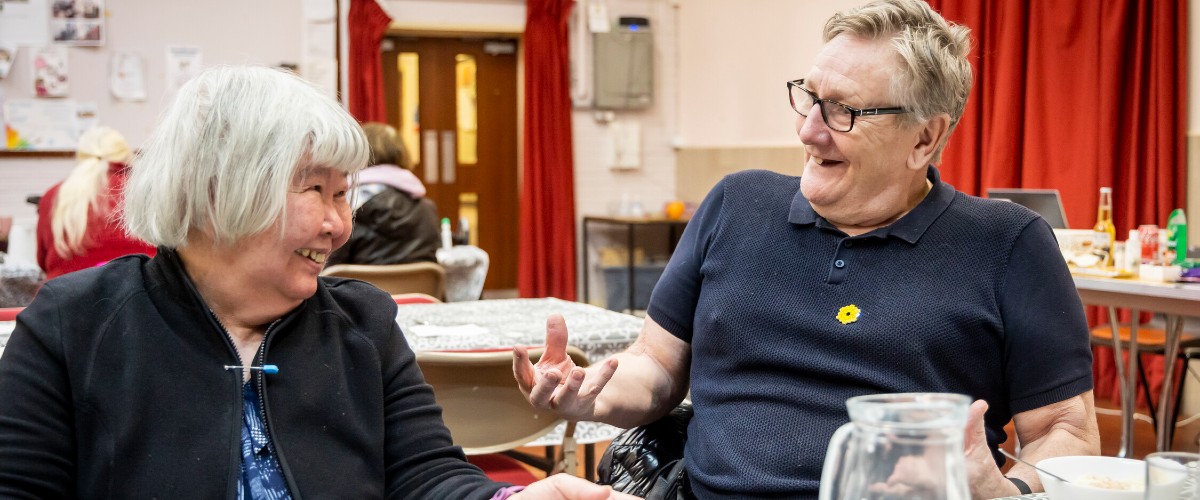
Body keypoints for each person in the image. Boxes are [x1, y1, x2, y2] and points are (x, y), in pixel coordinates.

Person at [514, 1, 1099, 498]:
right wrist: (592, 392)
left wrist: (1013, 492)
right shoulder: (734, 204)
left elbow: (1065, 431)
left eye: (843, 110)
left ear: (926, 137)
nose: (809, 130)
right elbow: (658, 368)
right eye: (810, 96)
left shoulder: (1008, 244)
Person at [0, 66, 636, 500]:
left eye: (344, 194)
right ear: (220, 194)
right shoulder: (73, 325)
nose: (340, 226)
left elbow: (426, 478)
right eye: (317, 190)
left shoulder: (362, 324)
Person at [35, 126, 156, 279]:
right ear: (126, 155)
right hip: (140, 291)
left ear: (81, 156)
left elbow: (42, 259)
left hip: (68, 294)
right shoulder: (146, 190)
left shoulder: (54, 195)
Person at [324, 122, 440, 267]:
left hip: (359, 289)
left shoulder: (347, 204)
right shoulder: (427, 209)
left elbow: (329, 266)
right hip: (417, 290)